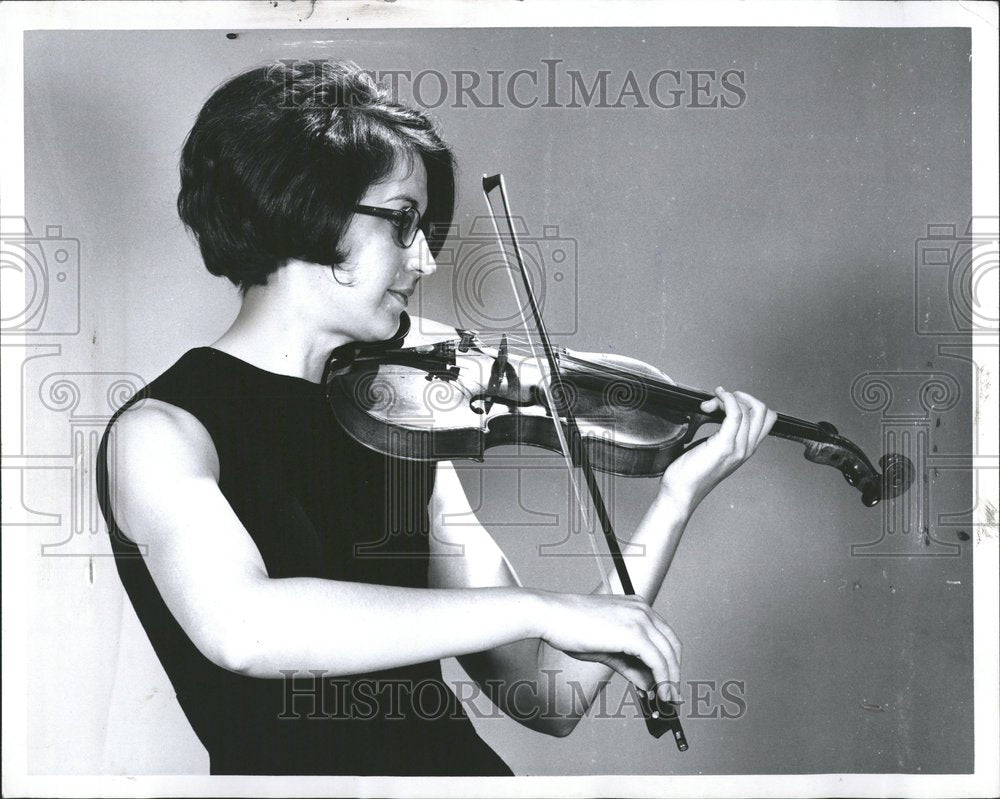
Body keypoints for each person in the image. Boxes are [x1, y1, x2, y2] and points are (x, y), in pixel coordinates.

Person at [96, 60, 776, 777]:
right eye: (401, 222)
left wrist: (676, 497)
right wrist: (541, 606)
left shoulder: (394, 412)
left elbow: (549, 692)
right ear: (304, 206)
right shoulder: (161, 433)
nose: (424, 259)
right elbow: (245, 628)